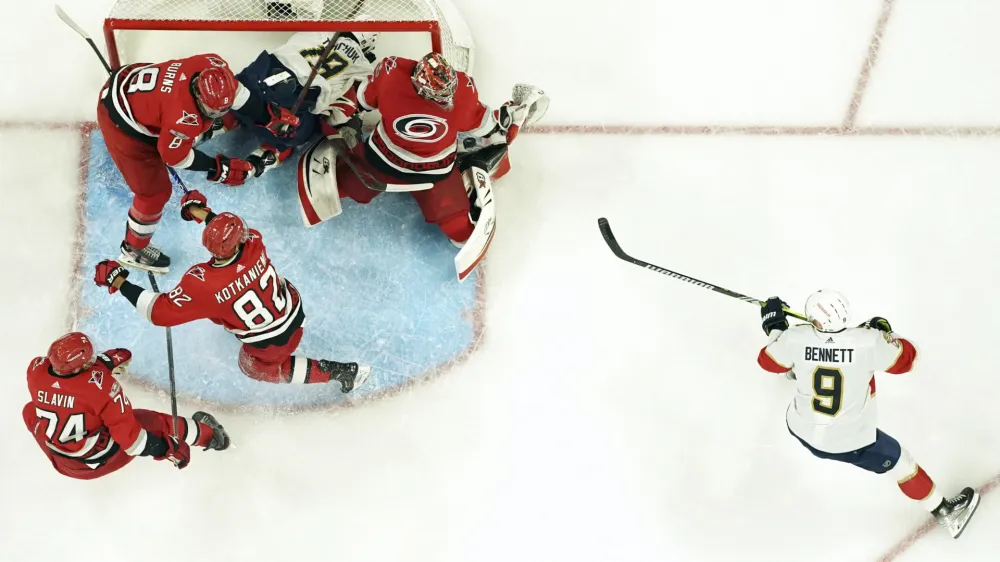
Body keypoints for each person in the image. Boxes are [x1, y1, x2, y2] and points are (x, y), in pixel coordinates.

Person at [92, 191, 372, 389]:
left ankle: (338, 373)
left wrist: (119, 281)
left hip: (271, 344)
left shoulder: (202, 283)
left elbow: (159, 313)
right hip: (292, 310)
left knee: (252, 367)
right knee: (229, 306)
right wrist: (202, 213)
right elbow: (237, 236)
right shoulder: (255, 243)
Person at [756, 289, 980, 538]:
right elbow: (909, 358)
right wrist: (887, 333)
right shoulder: (867, 342)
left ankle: (798, 369)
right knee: (902, 463)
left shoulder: (795, 338)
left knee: (803, 361)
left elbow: (768, 362)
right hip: (847, 442)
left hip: (800, 426)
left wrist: (775, 326)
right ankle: (945, 512)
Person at [314, 52, 548, 246]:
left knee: (340, 185)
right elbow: (485, 127)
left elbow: (362, 100)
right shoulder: (464, 92)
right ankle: (466, 189)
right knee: (460, 232)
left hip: (381, 164)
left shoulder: (391, 73)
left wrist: (338, 115)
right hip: (435, 172)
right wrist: (509, 118)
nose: (448, 101)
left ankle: (342, 183)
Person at [98, 53, 300, 273]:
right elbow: (175, 158)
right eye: (213, 112)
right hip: (119, 121)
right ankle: (133, 250)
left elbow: (238, 94)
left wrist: (267, 117)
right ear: (197, 94)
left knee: (182, 128)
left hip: (128, 81)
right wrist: (218, 167)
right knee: (154, 194)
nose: (217, 113)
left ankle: (177, 132)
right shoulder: (182, 117)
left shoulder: (212, 67)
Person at [22, 332, 230, 480]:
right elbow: (133, 442)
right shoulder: (102, 388)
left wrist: (101, 365)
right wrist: (167, 447)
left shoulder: (35, 369)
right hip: (96, 461)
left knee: (30, 410)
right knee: (148, 420)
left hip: (60, 459)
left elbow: (68, 387)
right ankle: (210, 436)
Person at [232, 30, 379, 153]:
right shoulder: (364, 68)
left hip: (259, 75)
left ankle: (227, 113)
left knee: (236, 91)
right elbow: (341, 113)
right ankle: (262, 159)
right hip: (291, 103)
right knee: (310, 128)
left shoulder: (319, 29)